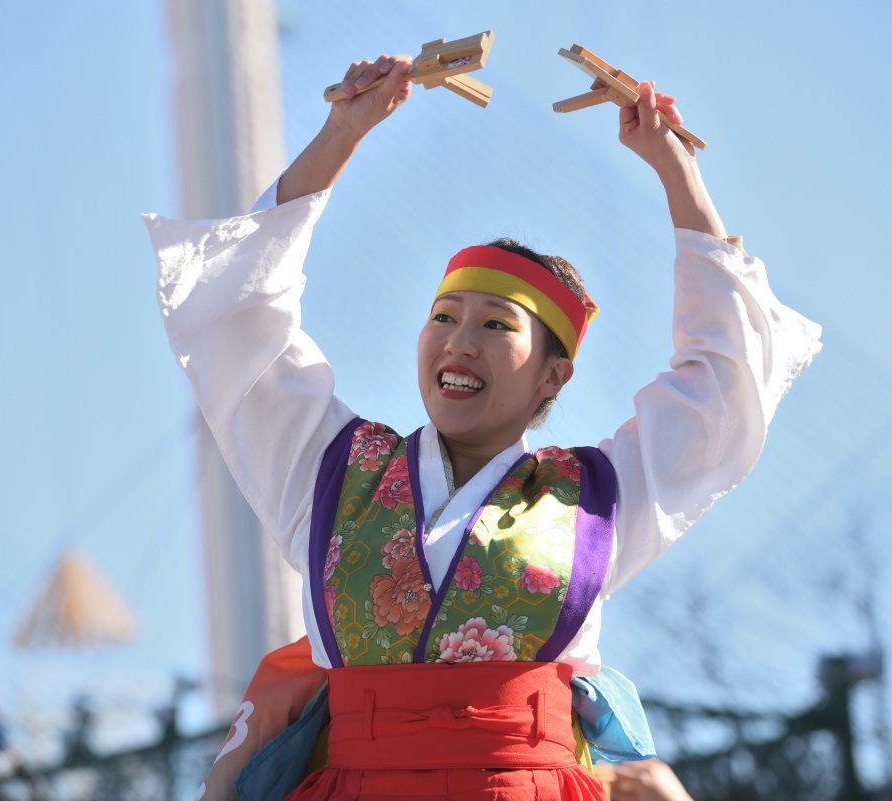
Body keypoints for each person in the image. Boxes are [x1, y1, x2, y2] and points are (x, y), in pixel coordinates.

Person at [145, 51, 821, 801]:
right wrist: (341, 133)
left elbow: (723, 390)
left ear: (552, 375)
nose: (459, 341)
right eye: (443, 316)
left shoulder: (595, 501)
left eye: (496, 324)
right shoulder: (332, 470)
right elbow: (239, 321)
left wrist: (675, 172)